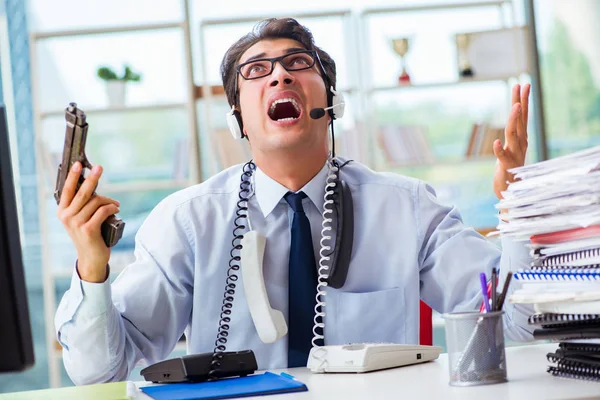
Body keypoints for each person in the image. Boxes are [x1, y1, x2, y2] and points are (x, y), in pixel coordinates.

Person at [54, 18, 534, 385]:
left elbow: (517, 326)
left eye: (298, 63)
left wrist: (518, 208)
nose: (280, 75)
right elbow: (103, 373)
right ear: (238, 119)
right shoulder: (188, 222)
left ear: (333, 102)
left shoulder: (406, 208)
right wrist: (92, 271)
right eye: (257, 70)